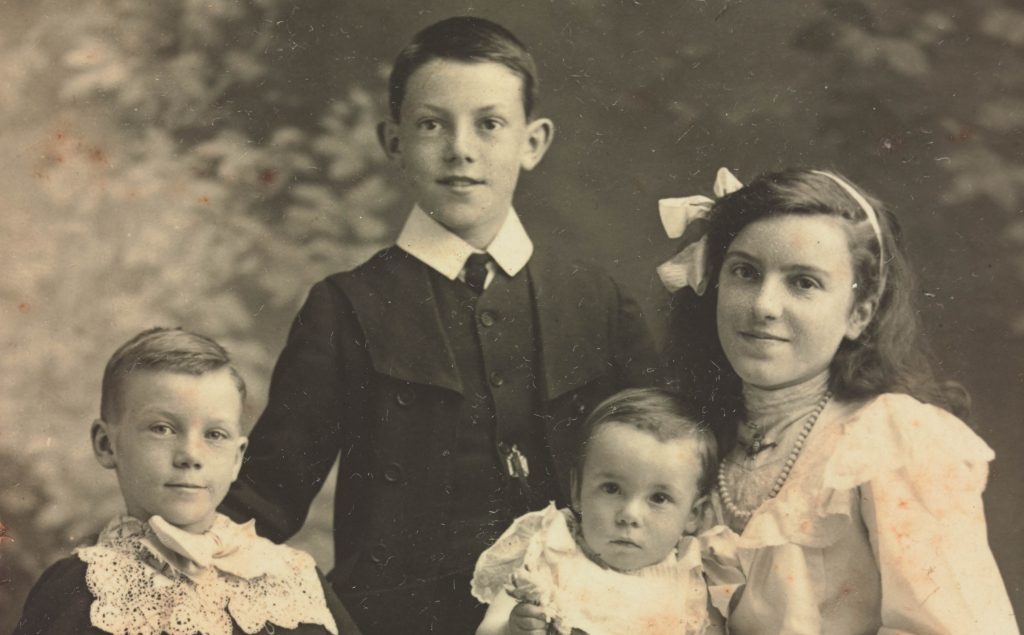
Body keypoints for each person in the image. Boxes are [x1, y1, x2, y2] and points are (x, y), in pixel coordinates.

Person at [221, 16, 659, 634]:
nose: (461, 149)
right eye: (432, 124)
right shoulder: (346, 306)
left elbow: (668, 462)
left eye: (489, 124)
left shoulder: (597, 302)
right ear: (393, 142)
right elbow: (268, 494)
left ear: (532, 142)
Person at [657, 167, 1019, 633]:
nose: (764, 305)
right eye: (745, 273)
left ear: (859, 313)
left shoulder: (890, 442)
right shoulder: (690, 439)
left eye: (803, 282)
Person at [12, 327, 359, 635]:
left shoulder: (296, 578)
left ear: (238, 458)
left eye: (215, 434)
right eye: (162, 429)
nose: (191, 455)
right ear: (106, 445)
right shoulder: (83, 587)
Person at [471, 388, 737, 635]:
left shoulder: (689, 578)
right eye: (611, 489)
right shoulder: (550, 555)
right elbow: (487, 629)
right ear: (577, 489)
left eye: (658, 498)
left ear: (693, 513)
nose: (629, 515)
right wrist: (511, 628)